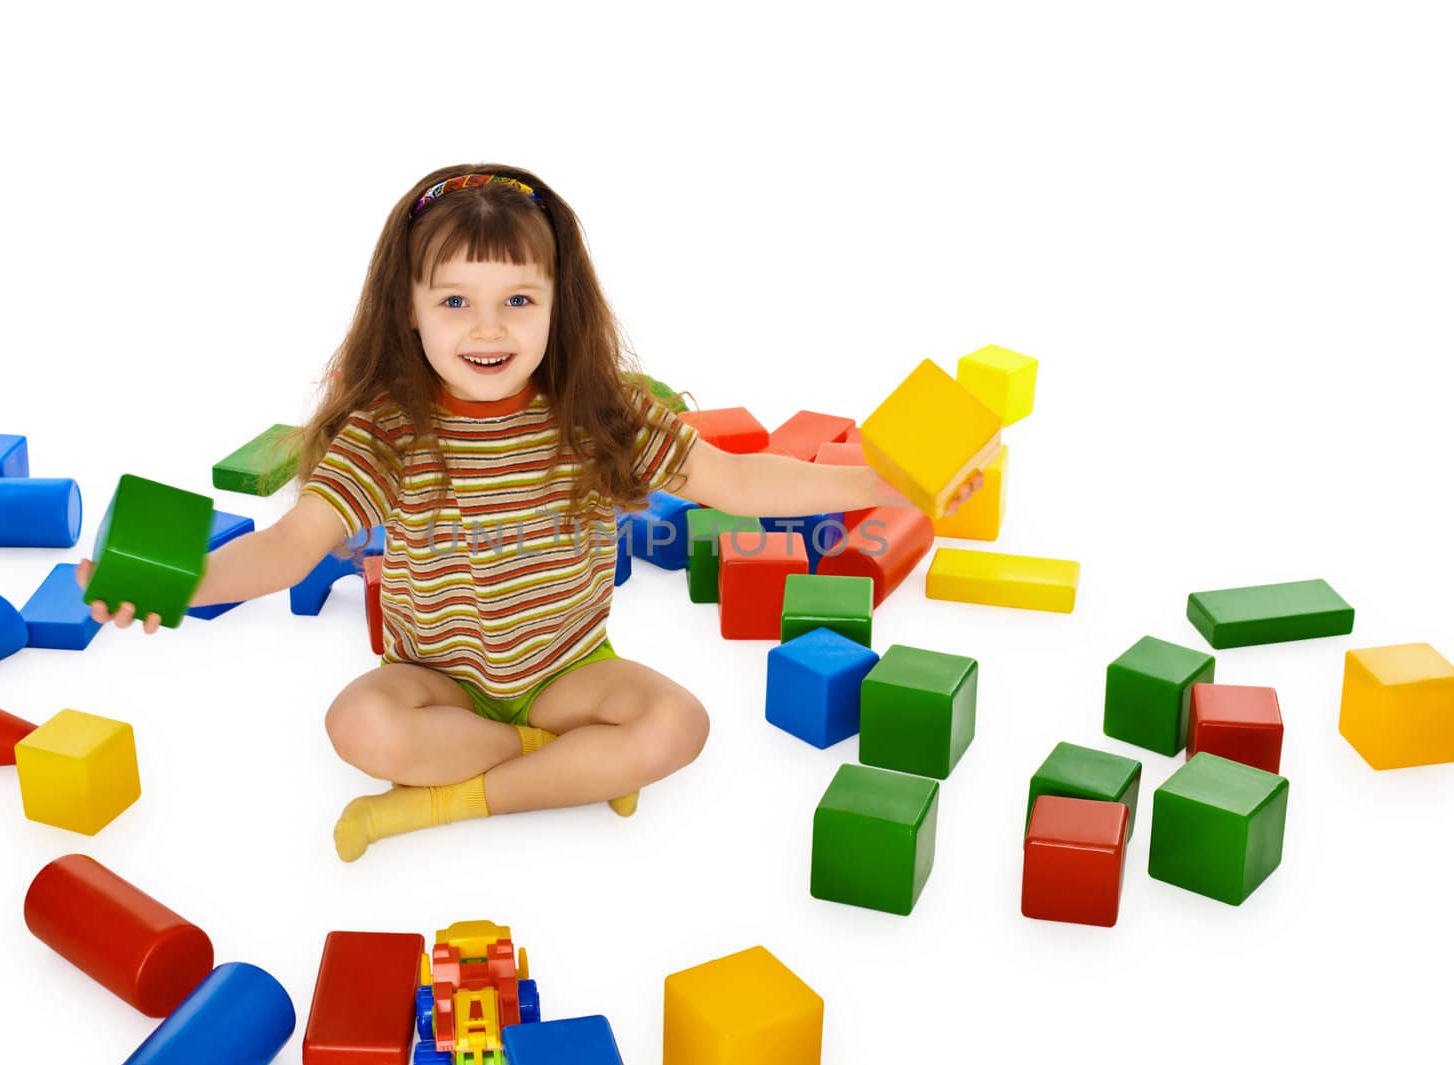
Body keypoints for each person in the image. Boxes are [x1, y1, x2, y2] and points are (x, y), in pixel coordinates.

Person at [77, 163, 967, 863]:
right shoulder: (389, 430)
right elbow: (291, 544)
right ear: (410, 313)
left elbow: (739, 483)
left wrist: (887, 480)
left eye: (518, 301)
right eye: (455, 301)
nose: (487, 328)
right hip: (437, 675)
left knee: (681, 725)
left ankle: (449, 801)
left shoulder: (595, 410)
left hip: (570, 668)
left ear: (555, 306)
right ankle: (563, 767)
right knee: (357, 723)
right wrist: (187, 581)